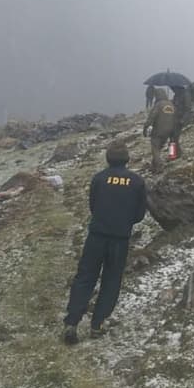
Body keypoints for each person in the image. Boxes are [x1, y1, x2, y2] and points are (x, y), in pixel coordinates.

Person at [63, 141, 147, 344]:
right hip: (120, 239)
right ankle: (97, 324)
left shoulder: (99, 179)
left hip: (97, 235)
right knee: (111, 280)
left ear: (108, 159)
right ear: (127, 159)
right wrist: (124, 221)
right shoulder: (137, 182)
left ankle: (72, 322)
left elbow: (93, 205)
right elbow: (139, 214)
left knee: (85, 276)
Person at [143, 88, 178, 172]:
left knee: (155, 147)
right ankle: (154, 165)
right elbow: (175, 118)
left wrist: (145, 127)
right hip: (170, 130)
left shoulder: (158, 105)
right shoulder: (171, 105)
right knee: (161, 147)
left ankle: (159, 166)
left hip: (158, 130)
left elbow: (152, 117)